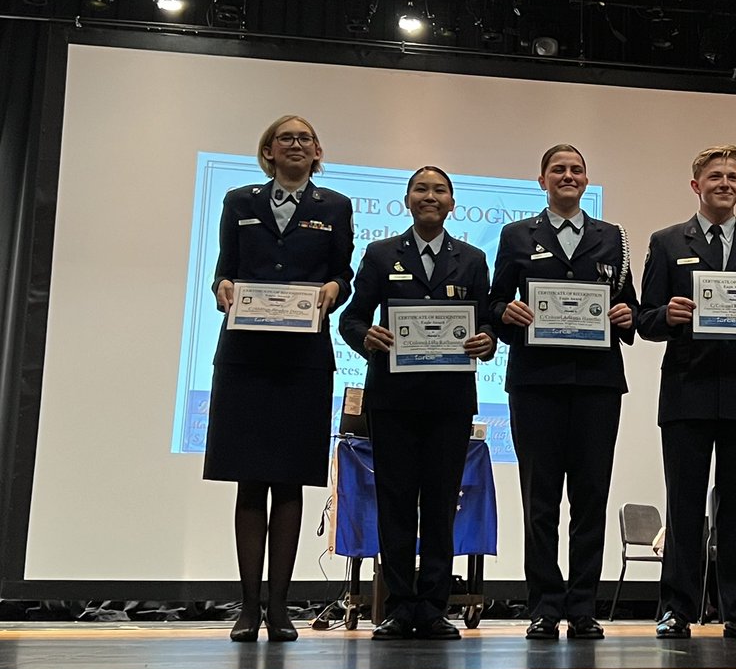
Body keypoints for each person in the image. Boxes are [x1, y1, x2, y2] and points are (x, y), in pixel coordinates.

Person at [637, 143, 736, 640]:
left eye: (733, 176)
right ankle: (676, 610)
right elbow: (645, 319)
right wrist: (668, 316)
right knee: (684, 507)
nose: (725, 183)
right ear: (696, 186)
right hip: (688, 393)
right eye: (715, 177)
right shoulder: (667, 242)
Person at [204, 115, 354, 642]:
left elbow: (344, 273)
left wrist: (335, 289)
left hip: (303, 359)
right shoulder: (238, 201)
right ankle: (248, 607)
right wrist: (223, 287)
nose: (295, 144)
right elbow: (224, 268)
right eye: (284, 137)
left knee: (290, 481)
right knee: (249, 480)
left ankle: (280, 607)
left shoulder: (334, 206)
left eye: (305, 138)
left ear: (317, 151)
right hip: (245, 355)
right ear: (267, 150)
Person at [487, 144, 637, 641]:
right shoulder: (515, 235)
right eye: (558, 169)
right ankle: (545, 606)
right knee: (540, 500)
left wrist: (625, 315)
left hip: (597, 385)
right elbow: (494, 302)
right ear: (542, 179)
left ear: (586, 180)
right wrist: (505, 315)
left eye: (576, 169)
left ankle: (583, 607)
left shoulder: (613, 237)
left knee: (591, 499)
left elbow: (628, 303)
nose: (567, 176)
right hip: (535, 383)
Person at [338, 166, 495, 641]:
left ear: (452, 203)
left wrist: (488, 341)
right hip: (393, 401)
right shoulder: (380, 254)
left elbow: (487, 323)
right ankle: (399, 606)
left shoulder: (471, 259)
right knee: (396, 503)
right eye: (421, 189)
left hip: (450, 403)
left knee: (442, 505)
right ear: (408, 200)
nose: (431, 196)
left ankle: (432, 607)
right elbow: (351, 319)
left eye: (440, 190)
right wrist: (368, 335)